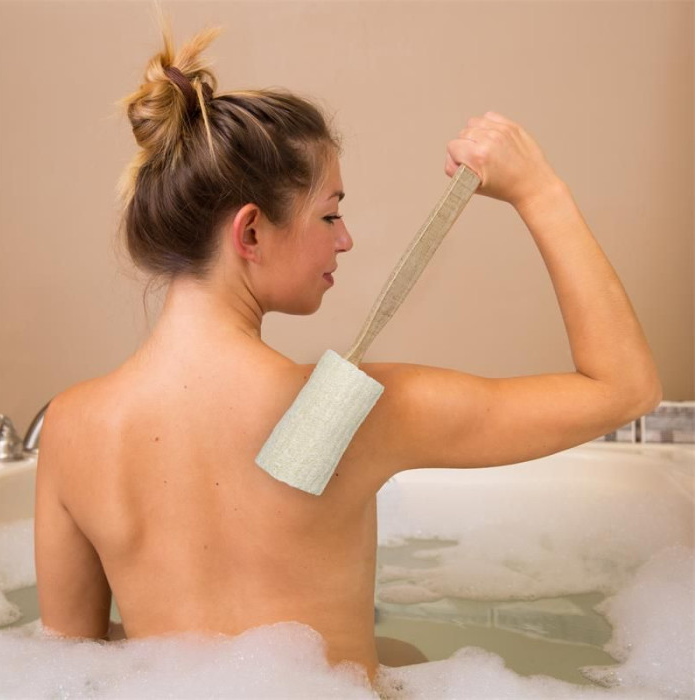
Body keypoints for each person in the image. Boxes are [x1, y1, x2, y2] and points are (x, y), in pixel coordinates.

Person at [34, 25, 661, 687]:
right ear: (251, 231)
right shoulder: (349, 412)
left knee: (400, 653)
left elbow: (65, 669)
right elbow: (624, 389)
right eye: (331, 215)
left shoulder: (73, 428)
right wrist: (540, 191)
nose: (346, 240)